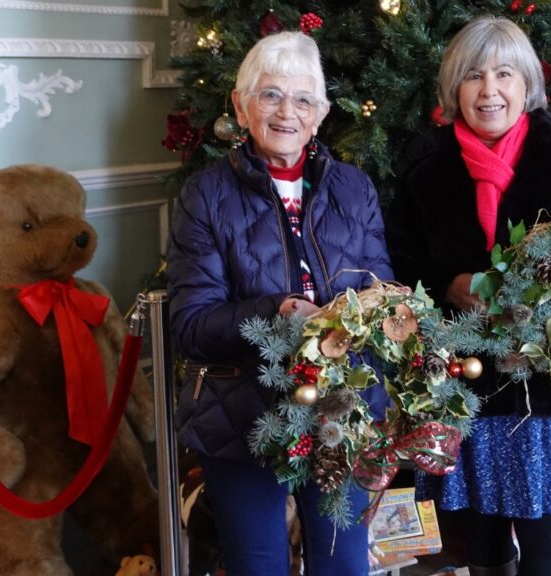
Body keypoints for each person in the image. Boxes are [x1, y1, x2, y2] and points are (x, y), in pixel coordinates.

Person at [386, 16, 551, 576]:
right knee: (484, 551)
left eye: (503, 74)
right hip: (467, 387)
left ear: (527, 85)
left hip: (546, 390)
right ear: (454, 89)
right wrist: (448, 286)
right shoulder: (425, 166)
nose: (489, 91)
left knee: (543, 555)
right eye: (473, 77)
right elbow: (399, 263)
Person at [166, 31, 392, 576]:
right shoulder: (206, 194)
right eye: (269, 95)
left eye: (303, 99)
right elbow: (192, 325)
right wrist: (279, 311)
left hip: (342, 412)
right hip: (243, 411)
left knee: (344, 564)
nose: (286, 111)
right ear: (242, 108)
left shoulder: (354, 189)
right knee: (258, 564)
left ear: (321, 115)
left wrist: (375, 316)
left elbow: (382, 292)